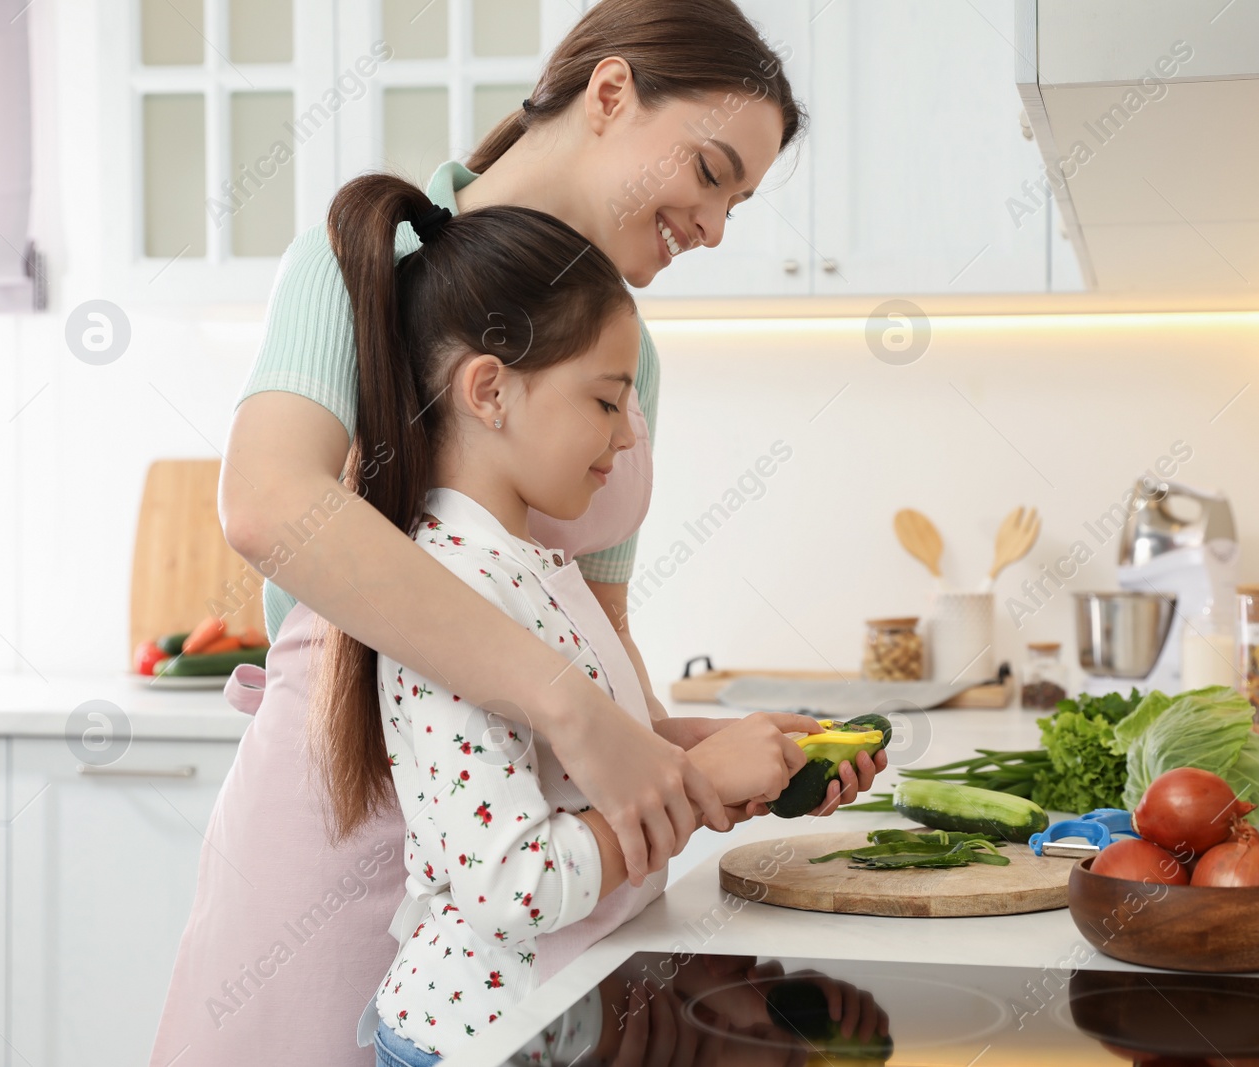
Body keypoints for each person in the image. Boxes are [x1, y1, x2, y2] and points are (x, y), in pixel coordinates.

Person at [150, 3, 884, 1064]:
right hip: (341, 825)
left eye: (740, 201)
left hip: (549, 888)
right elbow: (271, 504)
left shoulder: (635, 358)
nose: (716, 226)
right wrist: (575, 713)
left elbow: (595, 623)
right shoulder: (361, 262)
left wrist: (675, 755)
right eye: (712, 172)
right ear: (611, 93)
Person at [319, 176, 816, 1065]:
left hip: (559, 1025)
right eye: (604, 399)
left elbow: (574, 764)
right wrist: (698, 781)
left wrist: (717, 745)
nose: (628, 436)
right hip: (478, 1041)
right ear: (490, 390)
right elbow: (517, 880)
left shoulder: (532, 561)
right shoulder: (448, 589)